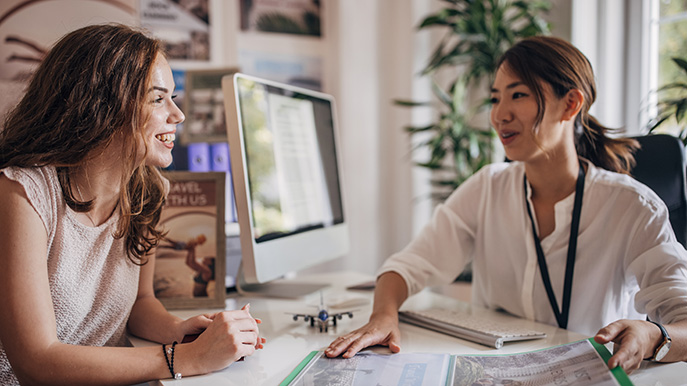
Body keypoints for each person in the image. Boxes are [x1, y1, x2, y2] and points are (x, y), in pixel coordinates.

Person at [326, 36, 687, 374]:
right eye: (496, 98)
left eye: (518, 95)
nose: (500, 114)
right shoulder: (488, 186)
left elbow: (682, 320)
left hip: (587, 374)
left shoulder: (633, 207)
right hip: (492, 371)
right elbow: (407, 267)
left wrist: (654, 334)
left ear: (571, 104)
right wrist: (383, 317)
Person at [0, 24, 264, 385]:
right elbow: (35, 360)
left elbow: (139, 303)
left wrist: (180, 331)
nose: (177, 114)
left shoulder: (147, 191)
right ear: (98, 105)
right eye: (158, 99)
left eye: (174, 97)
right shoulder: (21, 193)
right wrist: (185, 358)